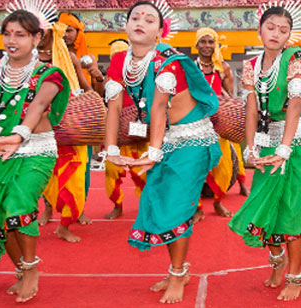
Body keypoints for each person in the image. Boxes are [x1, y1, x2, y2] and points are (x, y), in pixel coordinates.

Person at [102, 1, 221, 303]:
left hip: (193, 141)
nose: (140, 22)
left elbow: (157, 107)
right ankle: (176, 269)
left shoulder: (169, 60)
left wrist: (153, 153)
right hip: (165, 140)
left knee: (174, 207)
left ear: (159, 30)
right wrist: (111, 149)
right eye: (135, 17)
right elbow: (114, 106)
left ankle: (178, 273)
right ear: (126, 25)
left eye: (149, 19)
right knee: (158, 203)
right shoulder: (119, 61)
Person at [0, 8, 72, 302]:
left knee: (17, 204)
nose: (12, 41)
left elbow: (37, 108)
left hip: (36, 150)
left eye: (20, 35)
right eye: (7, 34)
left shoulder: (50, 74)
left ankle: (31, 267)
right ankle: (21, 269)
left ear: (37, 38)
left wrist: (18, 136)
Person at [228, 3, 301, 301]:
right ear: (259, 29)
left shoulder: (297, 57)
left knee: (293, 207)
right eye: (270, 27)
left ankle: (294, 275)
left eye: (283, 30)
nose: (276, 33)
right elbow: (251, 109)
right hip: (272, 136)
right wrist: (250, 148)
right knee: (264, 202)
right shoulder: (250, 65)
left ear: (290, 35)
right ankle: (277, 261)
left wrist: (285, 148)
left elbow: (297, 102)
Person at [37, 13, 98, 242]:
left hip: (72, 126)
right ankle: (49, 209)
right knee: (47, 176)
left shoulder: (69, 57)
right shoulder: (30, 61)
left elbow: (84, 86)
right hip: (42, 127)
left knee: (75, 176)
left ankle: (65, 224)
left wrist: (96, 103)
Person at [192, 27, 244, 223]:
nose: (207, 46)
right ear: (196, 45)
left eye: (211, 42)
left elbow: (228, 96)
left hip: (218, 124)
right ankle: (197, 208)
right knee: (196, 168)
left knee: (224, 168)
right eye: (203, 42)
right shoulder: (190, 68)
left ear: (216, 44)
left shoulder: (224, 68)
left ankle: (217, 201)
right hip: (195, 124)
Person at [101, 38, 150, 221]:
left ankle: (147, 206)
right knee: (112, 171)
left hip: (142, 130)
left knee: (144, 173)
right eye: (114, 57)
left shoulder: (143, 73)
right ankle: (117, 205)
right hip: (118, 134)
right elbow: (100, 98)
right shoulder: (110, 78)